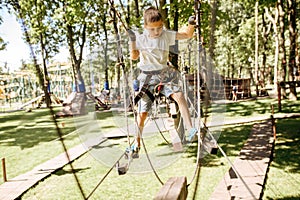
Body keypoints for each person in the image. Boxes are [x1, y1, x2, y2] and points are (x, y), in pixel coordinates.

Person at [127, 7, 197, 155]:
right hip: (147, 78)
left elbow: (187, 34)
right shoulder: (141, 38)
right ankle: (136, 143)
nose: (157, 32)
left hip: (164, 74)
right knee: (143, 113)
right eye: (152, 29)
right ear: (145, 27)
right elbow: (134, 56)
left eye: (160, 27)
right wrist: (132, 41)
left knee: (179, 96)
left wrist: (191, 23)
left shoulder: (166, 35)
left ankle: (191, 129)